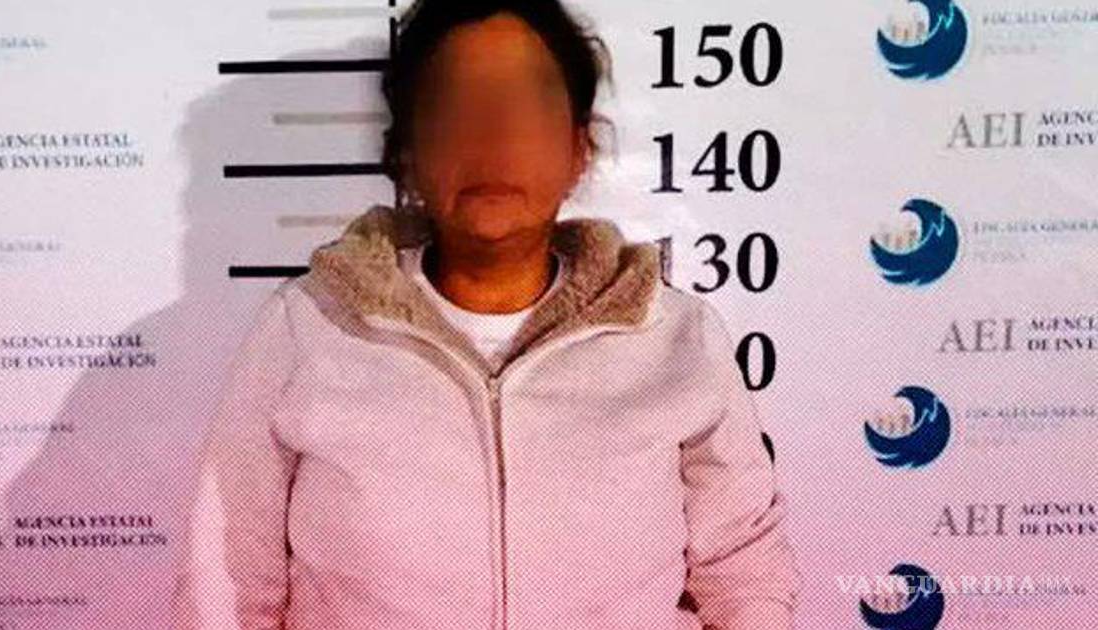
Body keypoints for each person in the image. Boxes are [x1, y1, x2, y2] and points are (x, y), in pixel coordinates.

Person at [171, 1, 801, 629]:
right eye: (457, 105)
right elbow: (225, 584)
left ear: (578, 150)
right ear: (407, 153)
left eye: (524, 104)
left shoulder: (674, 336)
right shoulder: (307, 326)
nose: (493, 134)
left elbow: (745, 572)